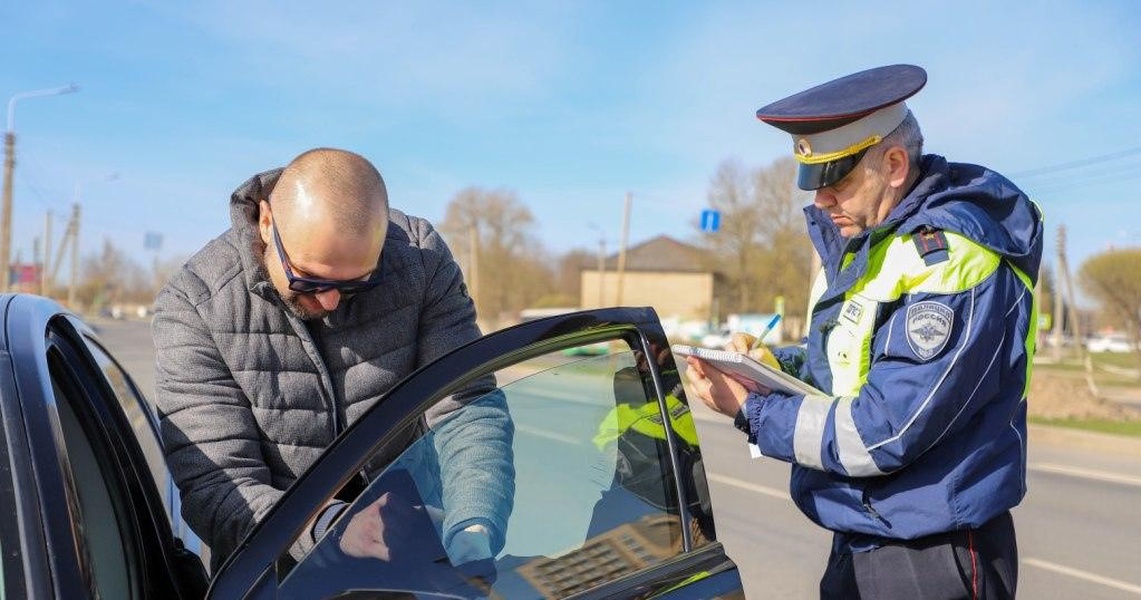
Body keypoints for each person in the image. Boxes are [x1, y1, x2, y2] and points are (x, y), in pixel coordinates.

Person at [683, 64, 1042, 599]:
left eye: (837, 179)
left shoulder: (948, 259)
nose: (821, 200)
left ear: (894, 164)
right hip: (870, 531)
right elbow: (852, 363)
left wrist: (752, 412)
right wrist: (772, 368)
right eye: (812, 182)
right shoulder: (875, 245)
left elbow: (886, 429)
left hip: (929, 551)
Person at [152, 147, 514, 574]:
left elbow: (465, 405)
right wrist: (329, 528)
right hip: (279, 572)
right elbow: (218, 482)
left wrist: (472, 524)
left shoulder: (420, 260)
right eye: (309, 279)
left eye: (359, 282)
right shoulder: (196, 305)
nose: (330, 300)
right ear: (267, 224)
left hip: (418, 551)